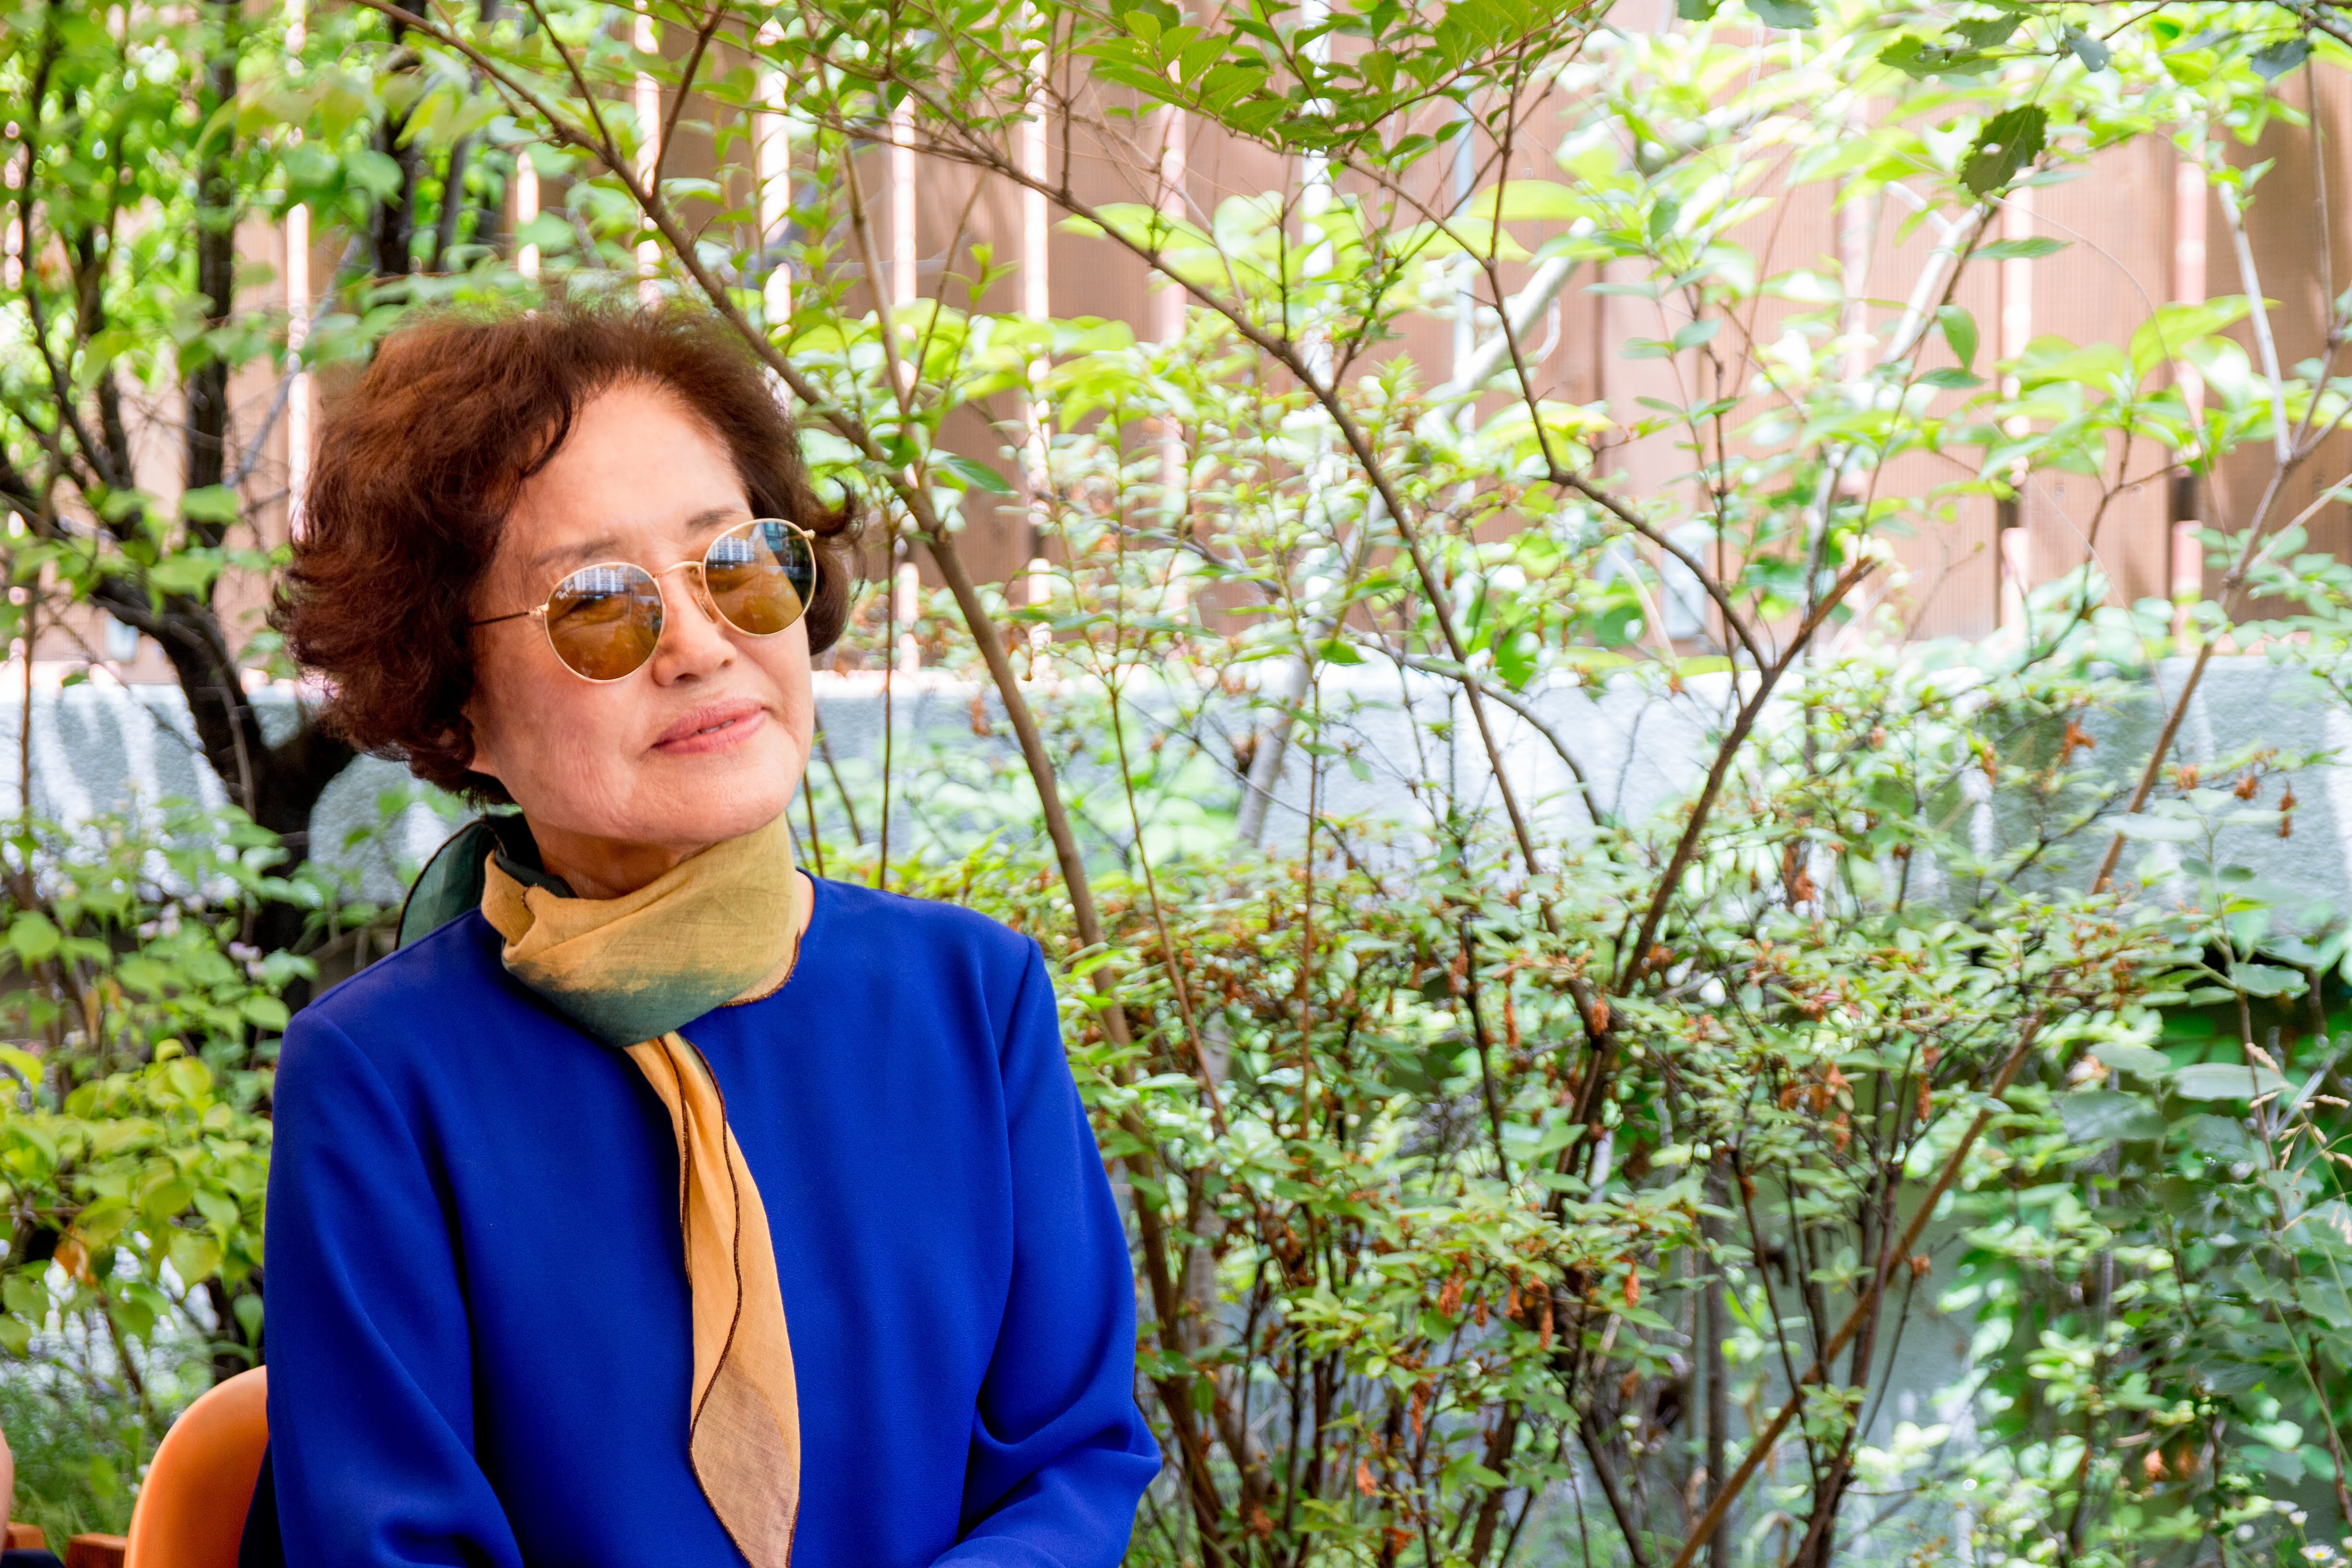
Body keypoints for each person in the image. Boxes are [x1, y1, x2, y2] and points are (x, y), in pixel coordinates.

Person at [258, 300, 1160, 1567]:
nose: (698, 644)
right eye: (597, 603)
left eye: (735, 562)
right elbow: (390, 1545)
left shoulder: (973, 996)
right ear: (453, 703)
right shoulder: (381, 1077)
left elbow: (1072, 1461)